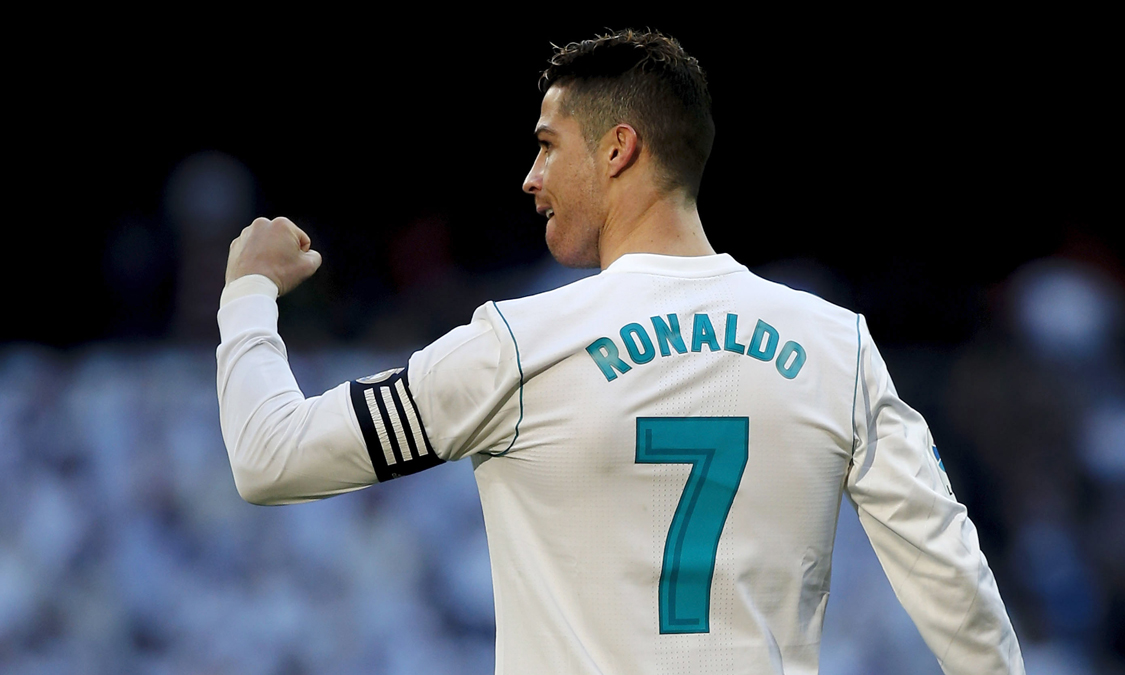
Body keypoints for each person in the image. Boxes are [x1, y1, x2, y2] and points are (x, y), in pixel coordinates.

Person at [216, 29, 1025, 674]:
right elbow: (952, 576)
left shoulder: (522, 346)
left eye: (547, 145)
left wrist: (248, 292)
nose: (530, 178)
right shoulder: (836, 347)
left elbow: (270, 456)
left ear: (617, 149)